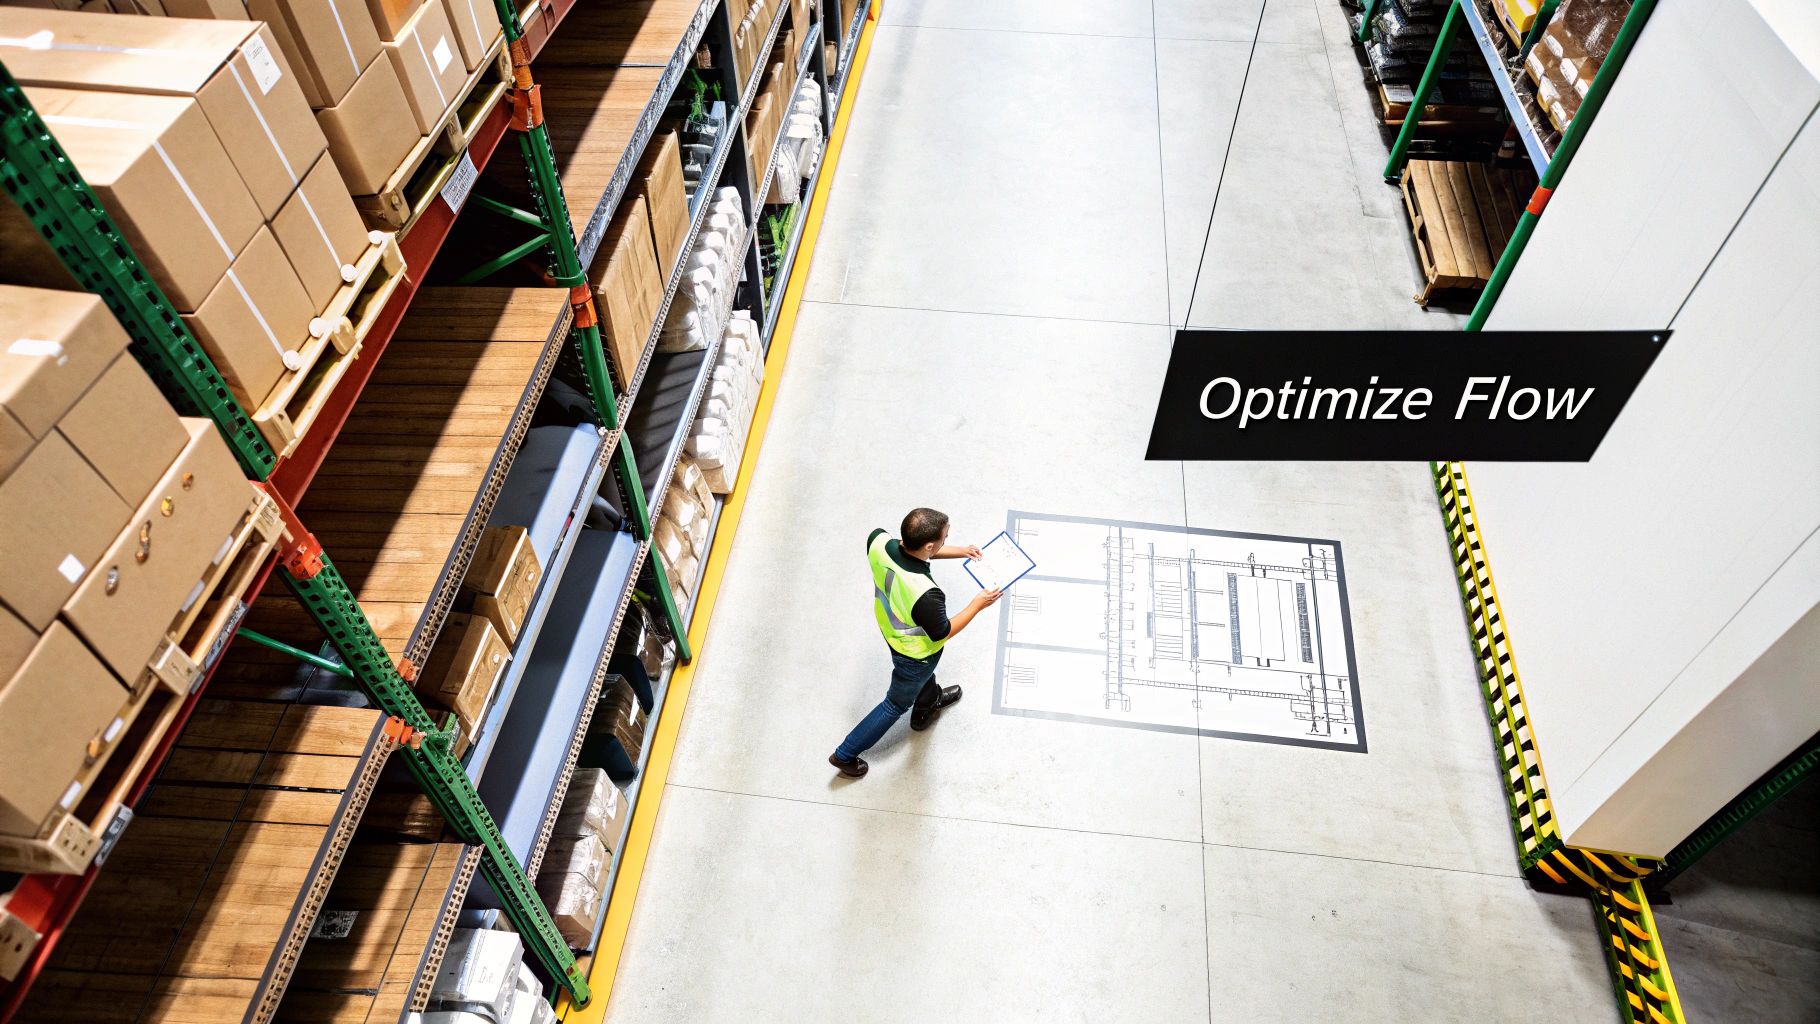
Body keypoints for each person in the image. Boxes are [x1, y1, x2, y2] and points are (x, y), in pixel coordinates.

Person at [829, 507, 1002, 779]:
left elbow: (913, 550)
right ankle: (845, 754)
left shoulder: (877, 540)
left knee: (921, 678)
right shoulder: (926, 595)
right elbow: (941, 633)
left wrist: (961, 551)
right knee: (895, 704)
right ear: (930, 545)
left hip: (890, 626)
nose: (947, 541)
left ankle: (929, 700)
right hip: (914, 652)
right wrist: (977, 604)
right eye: (946, 538)